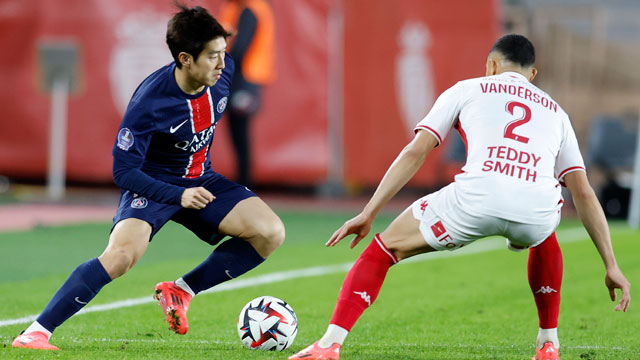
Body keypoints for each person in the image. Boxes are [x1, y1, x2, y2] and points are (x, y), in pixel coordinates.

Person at [289, 34, 631, 360]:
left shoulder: (468, 89)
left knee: (384, 249)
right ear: (533, 74)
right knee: (545, 225)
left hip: (473, 202)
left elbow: (415, 152)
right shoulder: (557, 113)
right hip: (535, 213)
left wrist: (368, 212)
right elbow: (583, 191)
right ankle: (548, 344)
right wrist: (611, 264)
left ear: (491, 66)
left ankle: (329, 346)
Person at [12, 4, 284, 351]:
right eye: (212, 56)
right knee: (121, 257)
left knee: (270, 233)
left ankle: (181, 291)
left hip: (202, 179)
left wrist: (190, 190)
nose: (222, 62)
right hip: (155, 184)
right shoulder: (149, 102)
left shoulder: (224, 72)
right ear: (185, 58)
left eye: (223, 52)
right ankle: (36, 332)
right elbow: (123, 171)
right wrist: (176, 195)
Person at [219, 0, 276, 187]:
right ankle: (243, 181)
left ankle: (244, 182)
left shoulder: (250, 10)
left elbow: (240, 47)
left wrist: (222, 66)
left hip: (244, 80)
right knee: (238, 132)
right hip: (245, 79)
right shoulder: (247, 8)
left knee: (240, 132)